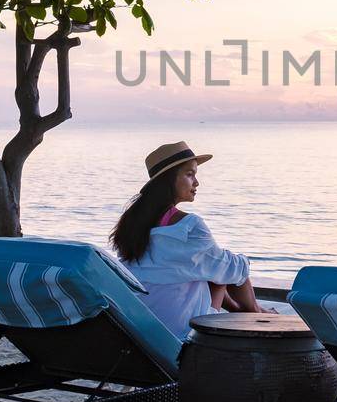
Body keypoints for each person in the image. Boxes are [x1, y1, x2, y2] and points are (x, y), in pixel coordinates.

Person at [110, 141, 268, 339]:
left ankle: (247, 311)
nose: (196, 182)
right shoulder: (188, 226)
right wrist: (245, 261)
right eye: (189, 174)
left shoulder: (133, 223)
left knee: (211, 268)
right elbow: (233, 270)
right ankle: (257, 314)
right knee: (225, 269)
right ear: (169, 180)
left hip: (144, 329)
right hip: (185, 333)